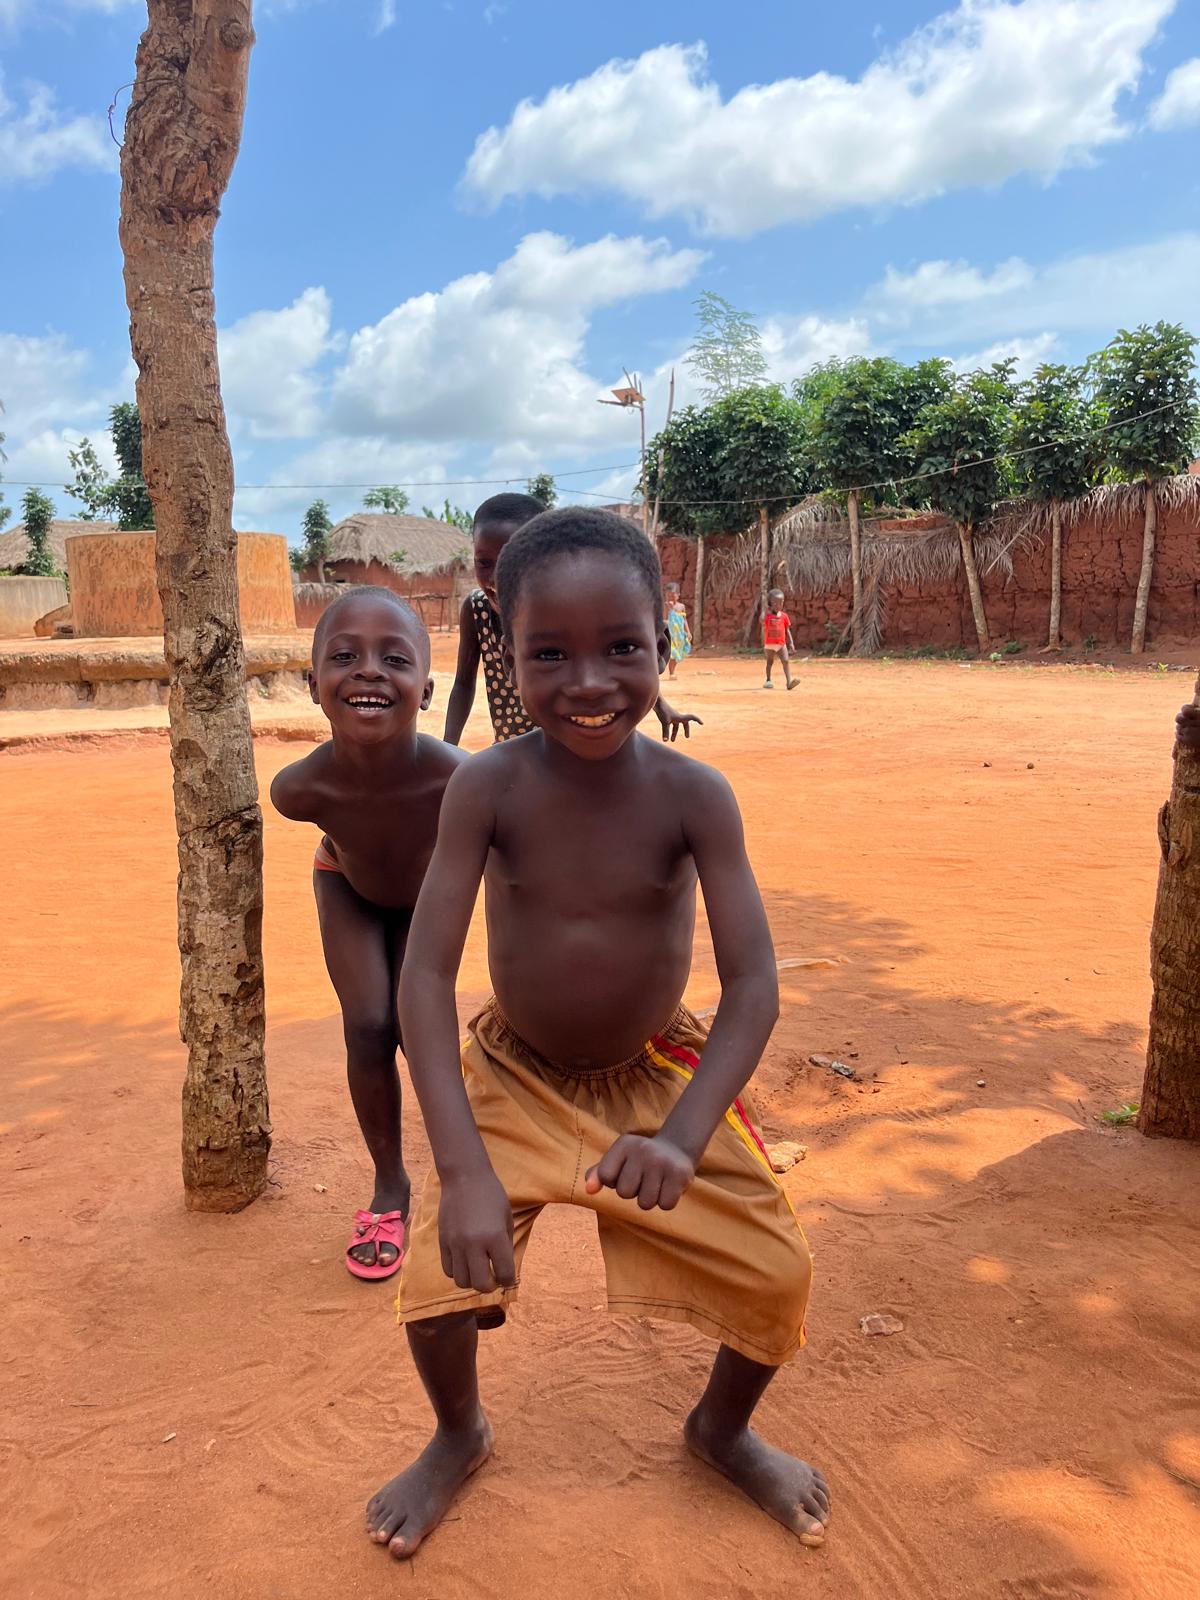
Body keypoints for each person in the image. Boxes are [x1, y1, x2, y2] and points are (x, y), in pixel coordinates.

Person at [367, 509, 826, 1560]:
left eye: (622, 647)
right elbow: (424, 976)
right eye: (550, 654)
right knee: (439, 1280)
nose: (589, 682)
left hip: (657, 1075)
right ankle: (458, 1433)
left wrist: (684, 1138)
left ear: (664, 643)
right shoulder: (486, 786)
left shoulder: (694, 796)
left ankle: (721, 1430)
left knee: (777, 1271)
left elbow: (753, 984)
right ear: (507, 653)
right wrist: (462, 1168)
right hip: (513, 1070)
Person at [271, 588, 467, 1281]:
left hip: (425, 901)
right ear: (313, 684)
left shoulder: (456, 778)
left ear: (426, 690)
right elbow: (332, 842)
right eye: (344, 656)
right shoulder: (301, 790)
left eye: (395, 658)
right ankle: (390, 1186)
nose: (369, 671)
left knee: (420, 1028)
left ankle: (461, 1178)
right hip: (346, 888)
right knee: (367, 1024)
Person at [444, 492, 702, 745]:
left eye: (511, 562)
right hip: (515, 749)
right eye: (484, 563)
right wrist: (449, 747)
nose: (497, 578)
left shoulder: (566, 605)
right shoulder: (476, 609)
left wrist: (661, 706)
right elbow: (463, 684)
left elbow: (620, 659)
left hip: (577, 740)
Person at [763, 589, 800, 691]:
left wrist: (791, 643)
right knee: (769, 662)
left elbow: (787, 630)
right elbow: (761, 620)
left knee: (786, 661)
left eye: (781, 602)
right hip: (769, 644)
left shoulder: (784, 616)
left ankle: (789, 682)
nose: (778, 605)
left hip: (781, 644)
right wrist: (766, 611)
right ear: (770, 603)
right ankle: (768, 679)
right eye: (775, 603)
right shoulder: (767, 616)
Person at [667, 596, 692, 678]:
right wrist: (670, 609)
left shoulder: (681, 606)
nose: (672, 596)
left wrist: (688, 631)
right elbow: (664, 618)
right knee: (672, 652)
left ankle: (672, 672)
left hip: (679, 634)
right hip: (670, 633)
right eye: (670, 594)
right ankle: (671, 673)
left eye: (674, 594)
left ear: (678, 595)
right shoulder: (666, 605)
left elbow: (684, 620)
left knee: (677, 653)